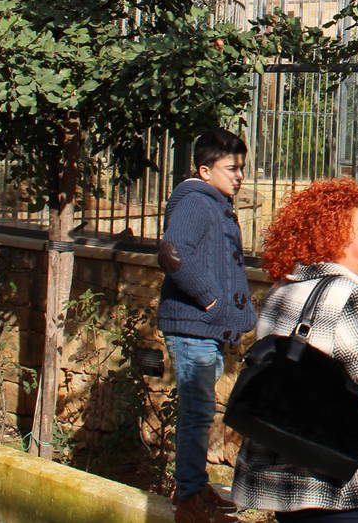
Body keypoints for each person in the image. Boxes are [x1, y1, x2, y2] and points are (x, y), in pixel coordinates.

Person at [233, 178, 358, 522]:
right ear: (333, 239)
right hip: (339, 488)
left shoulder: (283, 291)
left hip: (283, 486)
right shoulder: (350, 296)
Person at [157, 128, 256, 523]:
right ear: (204, 169)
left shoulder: (214, 203)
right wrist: (211, 299)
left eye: (242, 168)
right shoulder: (197, 202)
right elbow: (172, 251)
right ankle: (190, 497)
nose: (239, 176)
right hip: (192, 324)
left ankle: (196, 488)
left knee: (200, 411)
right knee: (197, 412)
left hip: (205, 327)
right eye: (231, 168)